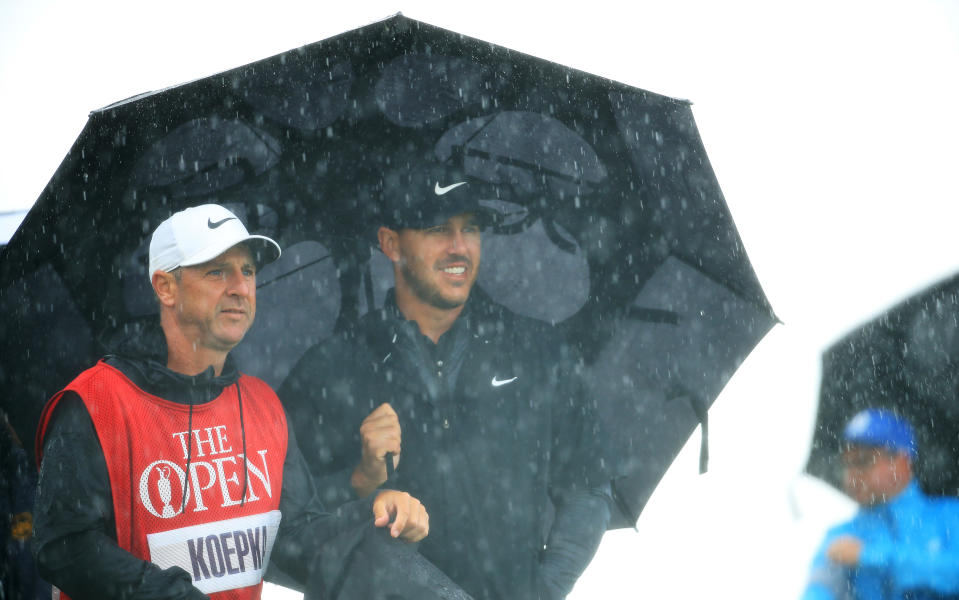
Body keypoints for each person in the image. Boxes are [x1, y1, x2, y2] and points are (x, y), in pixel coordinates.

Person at [32, 204, 469, 600]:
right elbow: (63, 547)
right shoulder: (94, 402)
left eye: (248, 270)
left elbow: (294, 535)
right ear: (165, 287)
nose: (241, 287)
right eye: (217, 272)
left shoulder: (263, 404)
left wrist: (369, 515)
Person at [280, 161, 613, 600]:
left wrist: (543, 591)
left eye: (470, 228)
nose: (459, 247)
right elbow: (287, 529)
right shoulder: (329, 369)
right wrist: (359, 480)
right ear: (391, 243)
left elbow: (588, 488)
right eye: (438, 229)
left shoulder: (538, 351)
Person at [801, 408, 959, 600]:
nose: (852, 474)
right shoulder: (841, 537)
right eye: (847, 463)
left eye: (862, 461)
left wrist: (870, 556)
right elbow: (818, 592)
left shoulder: (951, 516)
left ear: (902, 462)